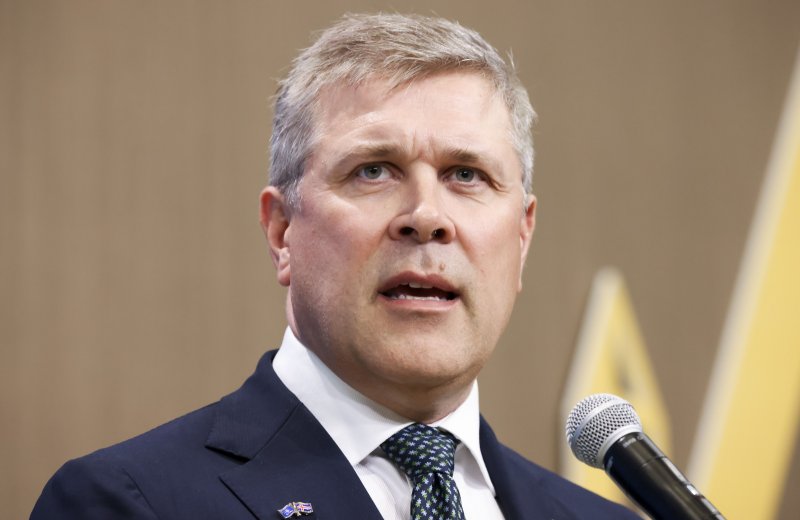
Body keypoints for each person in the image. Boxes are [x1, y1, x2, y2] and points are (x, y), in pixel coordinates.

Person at [32, 13, 638, 519]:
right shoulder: (129, 502)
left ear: (523, 236)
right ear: (282, 230)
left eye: (466, 175)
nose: (426, 216)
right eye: (373, 170)